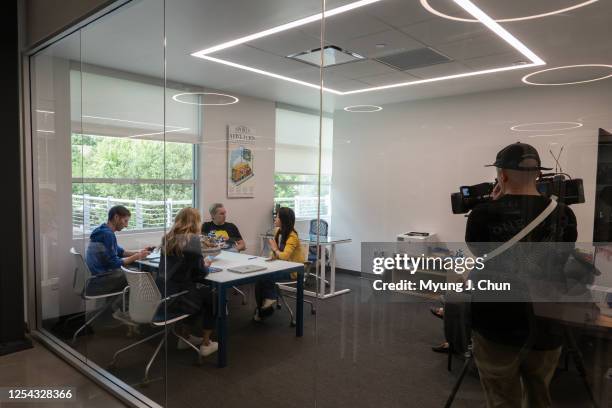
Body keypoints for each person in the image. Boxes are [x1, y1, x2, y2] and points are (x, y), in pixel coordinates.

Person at [465, 142, 577, 407]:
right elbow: (563, 255)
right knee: (540, 393)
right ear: (538, 174)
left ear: (501, 175)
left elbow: (479, 254)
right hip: (546, 318)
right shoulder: (565, 213)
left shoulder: (482, 215)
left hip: (497, 320)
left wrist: (495, 204)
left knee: (502, 395)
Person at [158, 207, 218, 357]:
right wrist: (205, 265)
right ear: (195, 222)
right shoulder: (192, 240)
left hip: (163, 295)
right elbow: (200, 274)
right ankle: (206, 343)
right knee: (213, 296)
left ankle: (185, 337)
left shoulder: (168, 238)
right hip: (179, 298)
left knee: (197, 292)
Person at [85, 205, 151, 296]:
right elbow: (115, 263)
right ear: (116, 217)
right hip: (101, 280)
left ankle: (116, 307)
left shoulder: (101, 230)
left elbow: (121, 252)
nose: (126, 225)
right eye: (125, 221)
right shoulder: (108, 234)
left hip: (97, 277)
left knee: (133, 271)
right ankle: (124, 307)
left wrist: (139, 253)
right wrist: (137, 256)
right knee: (139, 275)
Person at [253, 207, 305, 321]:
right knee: (258, 280)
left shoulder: (292, 236)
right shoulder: (278, 231)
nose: (275, 219)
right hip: (280, 266)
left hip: (292, 270)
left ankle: (271, 298)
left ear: (284, 220)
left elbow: (284, 255)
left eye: (277, 217)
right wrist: (273, 254)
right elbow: (275, 252)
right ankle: (262, 309)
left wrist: (275, 250)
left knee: (265, 276)